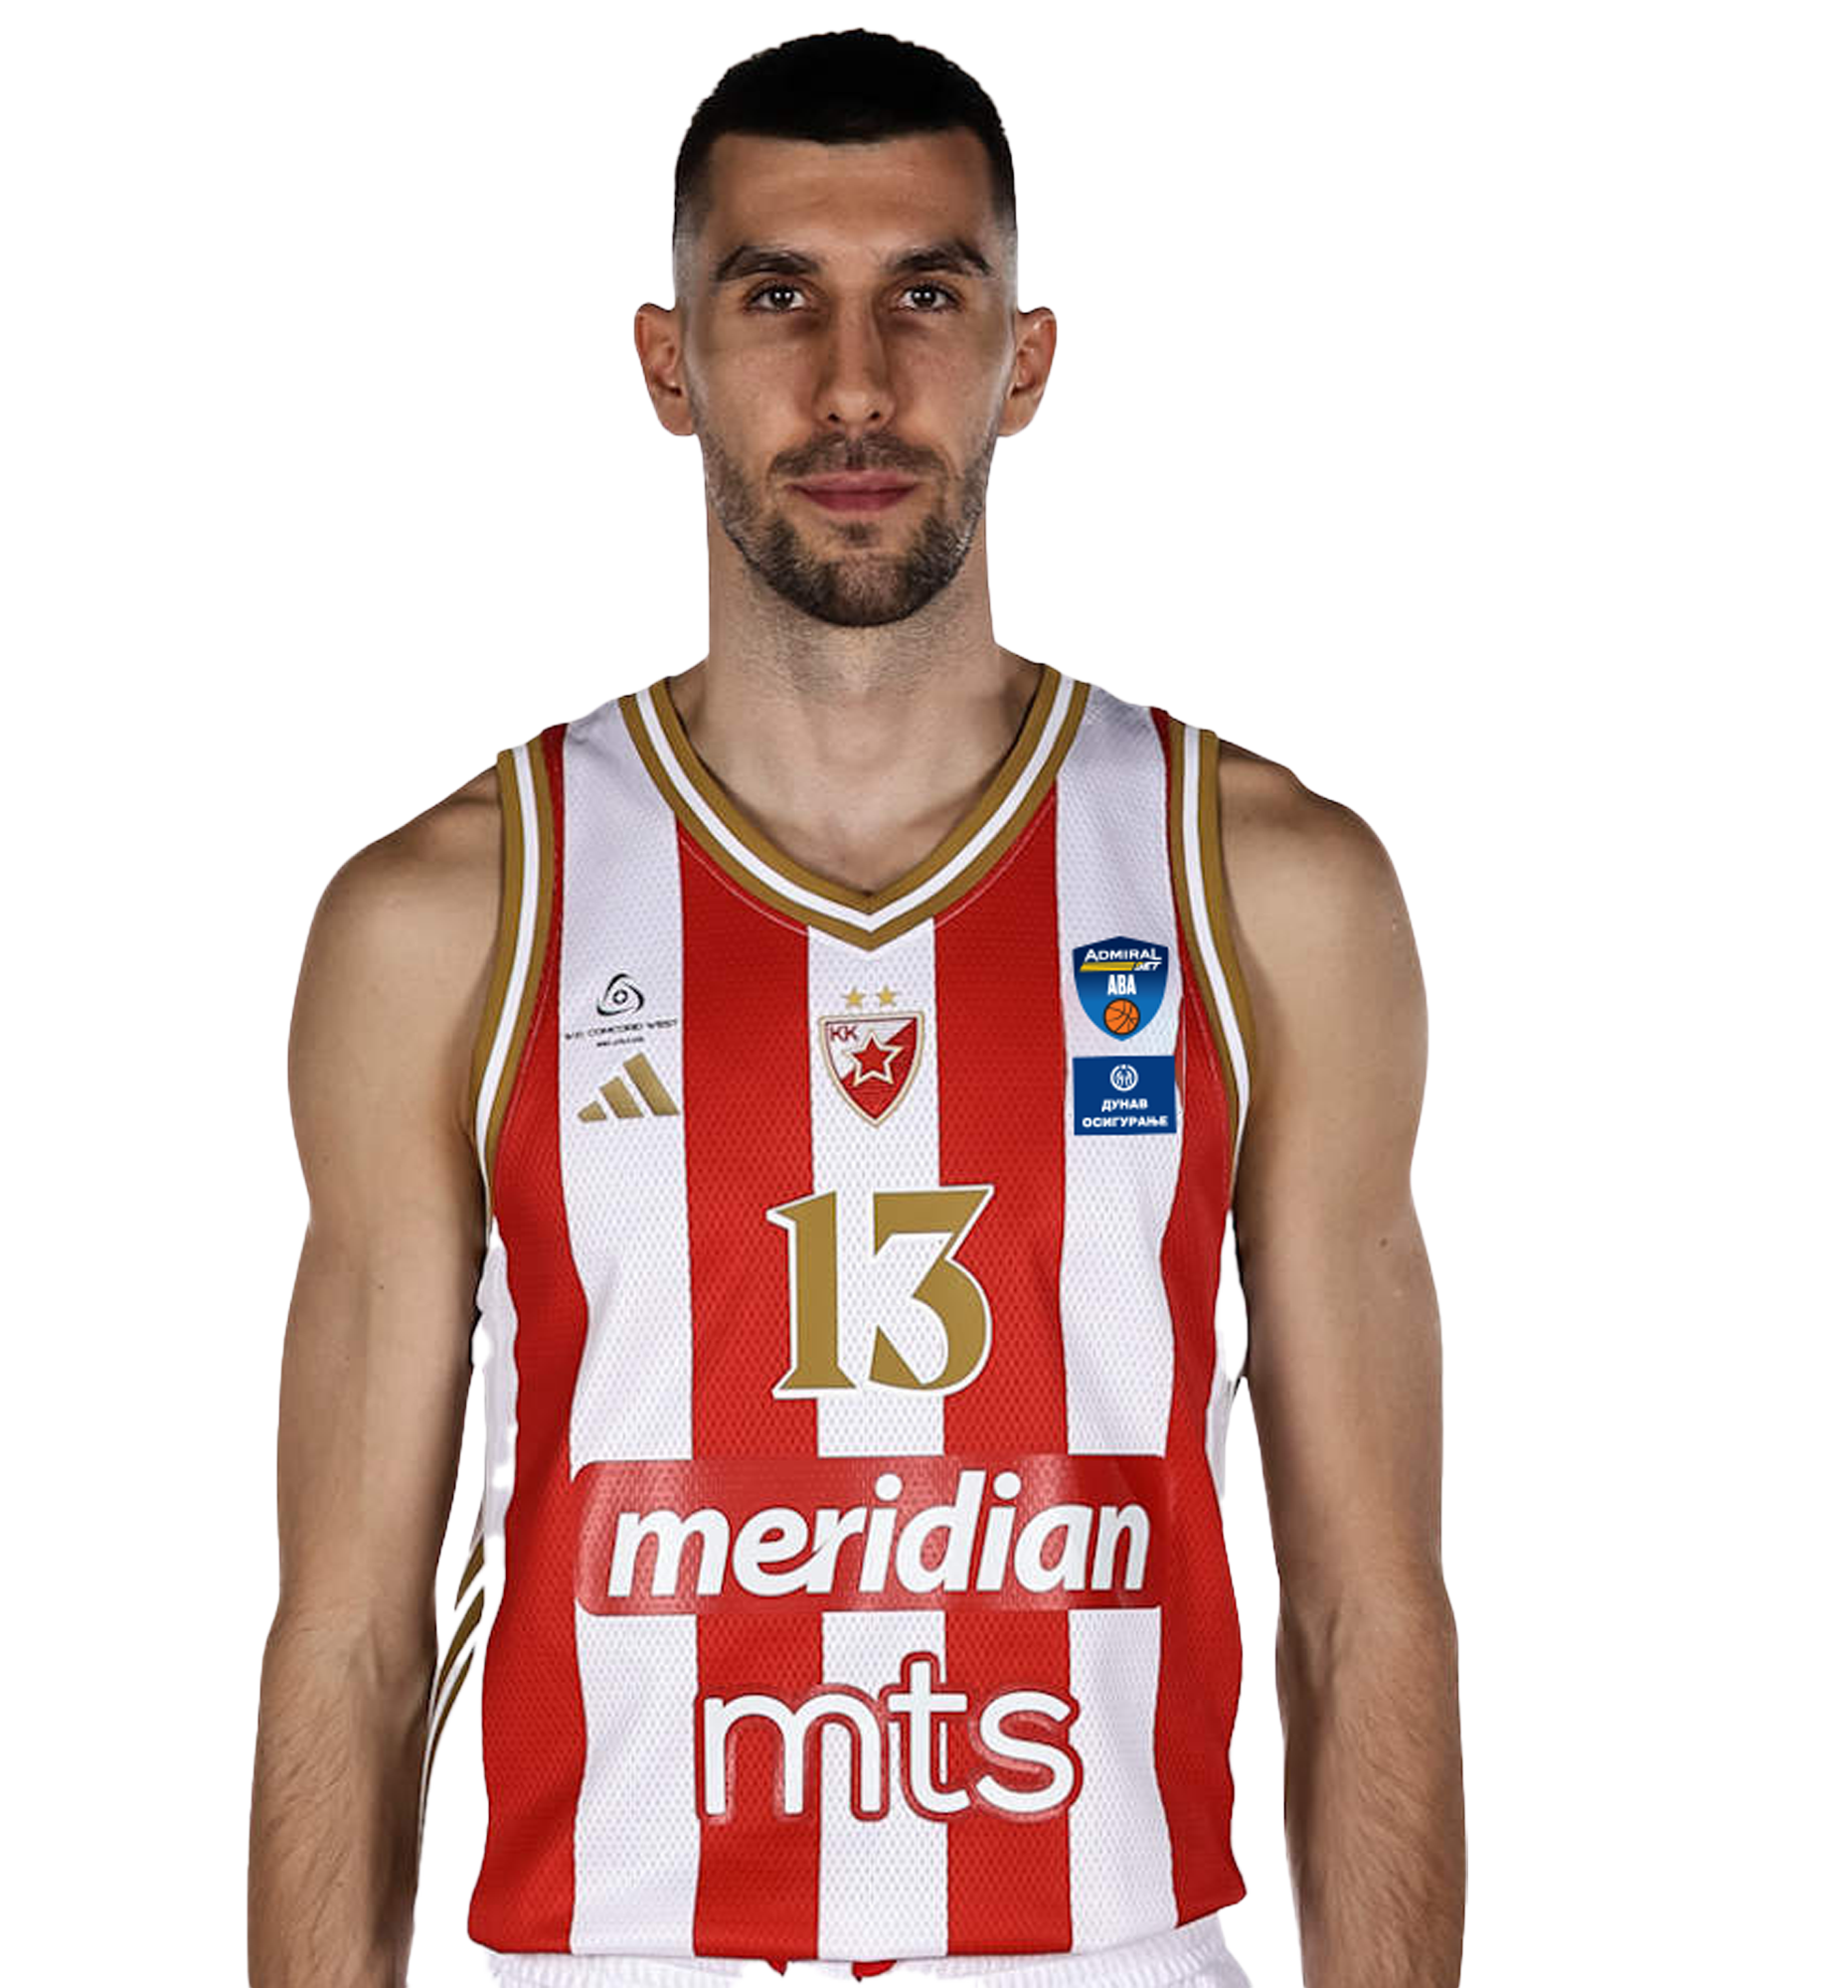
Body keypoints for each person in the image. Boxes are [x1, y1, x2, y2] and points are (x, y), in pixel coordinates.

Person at [246, 30, 1463, 1988]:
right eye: (774, 298)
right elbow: (347, 1632)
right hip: (587, 1951)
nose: (854, 385)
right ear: (668, 363)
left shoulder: (1261, 888)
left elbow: (1367, 1609)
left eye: (926, 295)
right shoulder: (453, 911)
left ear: (1026, 359)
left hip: (1115, 1947)